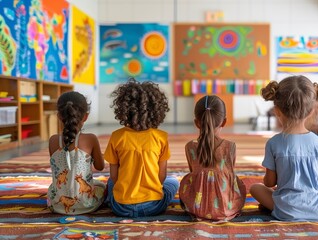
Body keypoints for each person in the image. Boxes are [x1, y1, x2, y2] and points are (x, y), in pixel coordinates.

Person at [249, 75, 318, 221]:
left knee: (255, 187)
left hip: (288, 210)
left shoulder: (274, 143)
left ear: (277, 110)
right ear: (311, 110)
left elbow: (269, 183)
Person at [104, 78, 179, 217]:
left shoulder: (116, 136)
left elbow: (114, 177)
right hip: (154, 206)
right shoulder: (161, 137)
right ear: (157, 110)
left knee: (109, 182)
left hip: (121, 207)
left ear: (123, 109)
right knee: (173, 181)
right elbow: (161, 177)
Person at [179, 95, 246, 221]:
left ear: (196, 123)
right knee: (239, 182)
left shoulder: (190, 147)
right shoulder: (230, 147)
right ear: (224, 122)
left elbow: (194, 173)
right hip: (226, 207)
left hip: (196, 207)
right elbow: (229, 174)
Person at [47, 91, 105, 215]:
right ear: (85, 116)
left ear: (59, 116)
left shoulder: (53, 140)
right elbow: (100, 167)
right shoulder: (91, 139)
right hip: (87, 205)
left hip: (57, 205)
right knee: (103, 186)